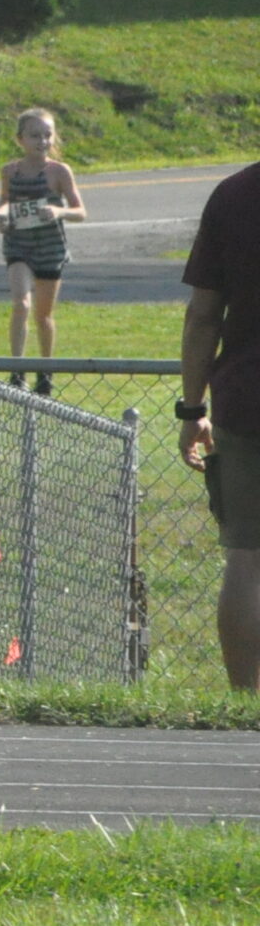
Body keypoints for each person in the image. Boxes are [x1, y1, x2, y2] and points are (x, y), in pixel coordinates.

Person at [179, 159, 260, 691]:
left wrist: (192, 409)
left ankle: (245, 701)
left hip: (246, 398)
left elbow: (203, 314)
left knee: (246, 558)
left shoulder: (234, 195)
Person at [0, 107, 87, 396]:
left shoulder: (59, 172)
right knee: (21, 303)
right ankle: (17, 370)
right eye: (35, 135)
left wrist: (58, 211)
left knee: (43, 315)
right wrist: (1, 215)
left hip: (50, 248)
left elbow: (80, 211)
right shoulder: (10, 171)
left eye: (47, 135)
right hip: (18, 246)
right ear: (20, 139)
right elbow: (4, 202)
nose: (42, 141)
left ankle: (45, 371)